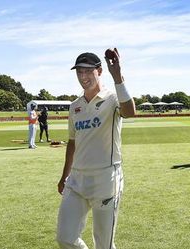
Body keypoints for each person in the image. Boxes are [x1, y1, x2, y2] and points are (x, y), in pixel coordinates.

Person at [56, 50, 136, 249]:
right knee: (65, 238)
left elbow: (130, 112)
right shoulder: (75, 106)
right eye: (79, 72)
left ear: (99, 71)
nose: (83, 77)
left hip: (106, 179)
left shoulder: (112, 99)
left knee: (104, 244)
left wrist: (117, 75)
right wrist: (64, 175)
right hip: (76, 180)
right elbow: (73, 142)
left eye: (88, 72)